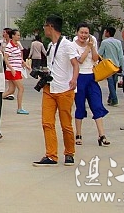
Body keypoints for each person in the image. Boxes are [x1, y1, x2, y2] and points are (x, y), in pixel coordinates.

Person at [33, 15, 80, 167]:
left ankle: (69, 153)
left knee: (66, 124)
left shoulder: (67, 45)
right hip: (49, 88)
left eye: (45, 26)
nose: (44, 29)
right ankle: (51, 155)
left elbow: (75, 64)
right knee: (47, 123)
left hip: (65, 89)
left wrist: (74, 79)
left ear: (51, 27)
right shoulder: (50, 46)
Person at [72, 23, 110, 147]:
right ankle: (78, 134)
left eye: (86, 33)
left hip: (92, 77)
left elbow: (95, 58)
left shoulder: (92, 40)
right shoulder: (73, 45)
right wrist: (88, 47)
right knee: (80, 106)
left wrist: (92, 46)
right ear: (77, 32)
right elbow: (80, 60)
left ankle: (102, 135)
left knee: (96, 104)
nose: (84, 35)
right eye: (81, 32)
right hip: (79, 77)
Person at [2, 29, 28, 114]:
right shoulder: (9, 46)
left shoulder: (17, 45)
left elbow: (19, 57)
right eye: (17, 35)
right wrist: (12, 68)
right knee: (21, 88)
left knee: (11, 90)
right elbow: (6, 59)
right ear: (13, 36)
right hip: (12, 70)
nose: (19, 37)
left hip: (17, 69)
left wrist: (25, 64)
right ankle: (19, 108)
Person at [98, 26, 123, 106]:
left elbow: (100, 53)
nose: (105, 33)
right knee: (114, 82)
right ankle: (110, 98)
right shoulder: (118, 42)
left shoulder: (105, 42)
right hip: (116, 65)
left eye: (106, 32)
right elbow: (121, 55)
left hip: (108, 66)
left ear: (108, 33)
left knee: (110, 83)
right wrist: (121, 65)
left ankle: (114, 99)